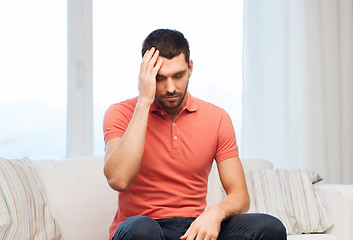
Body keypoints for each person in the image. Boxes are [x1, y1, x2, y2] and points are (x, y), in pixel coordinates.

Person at [103, 29, 286, 240]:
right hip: (144, 228)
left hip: (194, 228)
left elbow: (240, 195)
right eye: (160, 78)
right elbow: (118, 180)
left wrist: (215, 213)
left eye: (178, 76)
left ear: (190, 68)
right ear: (146, 75)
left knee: (269, 227)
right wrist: (144, 102)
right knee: (142, 230)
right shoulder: (121, 113)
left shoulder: (217, 117)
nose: (170, 88)